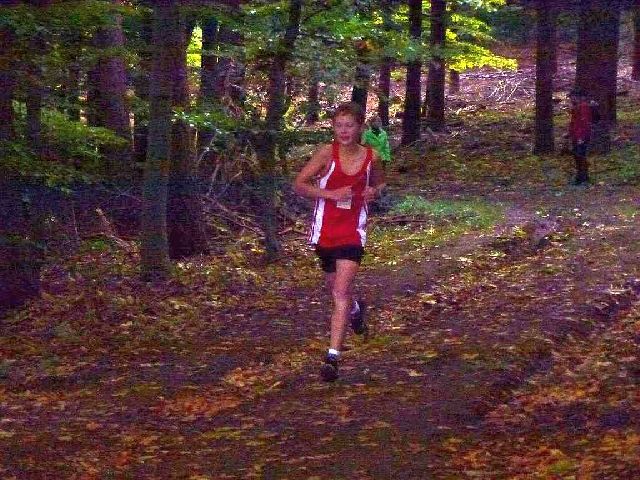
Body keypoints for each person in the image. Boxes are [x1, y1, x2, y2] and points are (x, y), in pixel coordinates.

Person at [294, 102, 386, 382]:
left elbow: (381, 184)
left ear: (360, 128)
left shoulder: (372, 156)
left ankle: (332, 357)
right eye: (339, 125)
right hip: (325, 230)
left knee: (340, 292)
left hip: (353, 231)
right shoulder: (326, 153)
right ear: (333, 128)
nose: (344, 131)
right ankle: (356, 311)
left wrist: (374, 192)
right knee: (335, 288)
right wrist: (331, 195)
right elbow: (299, 184)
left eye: (349, 125)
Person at [569, 88, 596, 185]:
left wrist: (581, 137)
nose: (571, 99)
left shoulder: (583, 106)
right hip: (576, 135)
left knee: (580, 156)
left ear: (578, 97)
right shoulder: (576, 107)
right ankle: (580, 177)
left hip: (581, 136)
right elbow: (574, 123)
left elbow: (584, 123)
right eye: (571, 97)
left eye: (573, 97)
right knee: (577, 156)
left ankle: (583, 178)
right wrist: (570, 133)